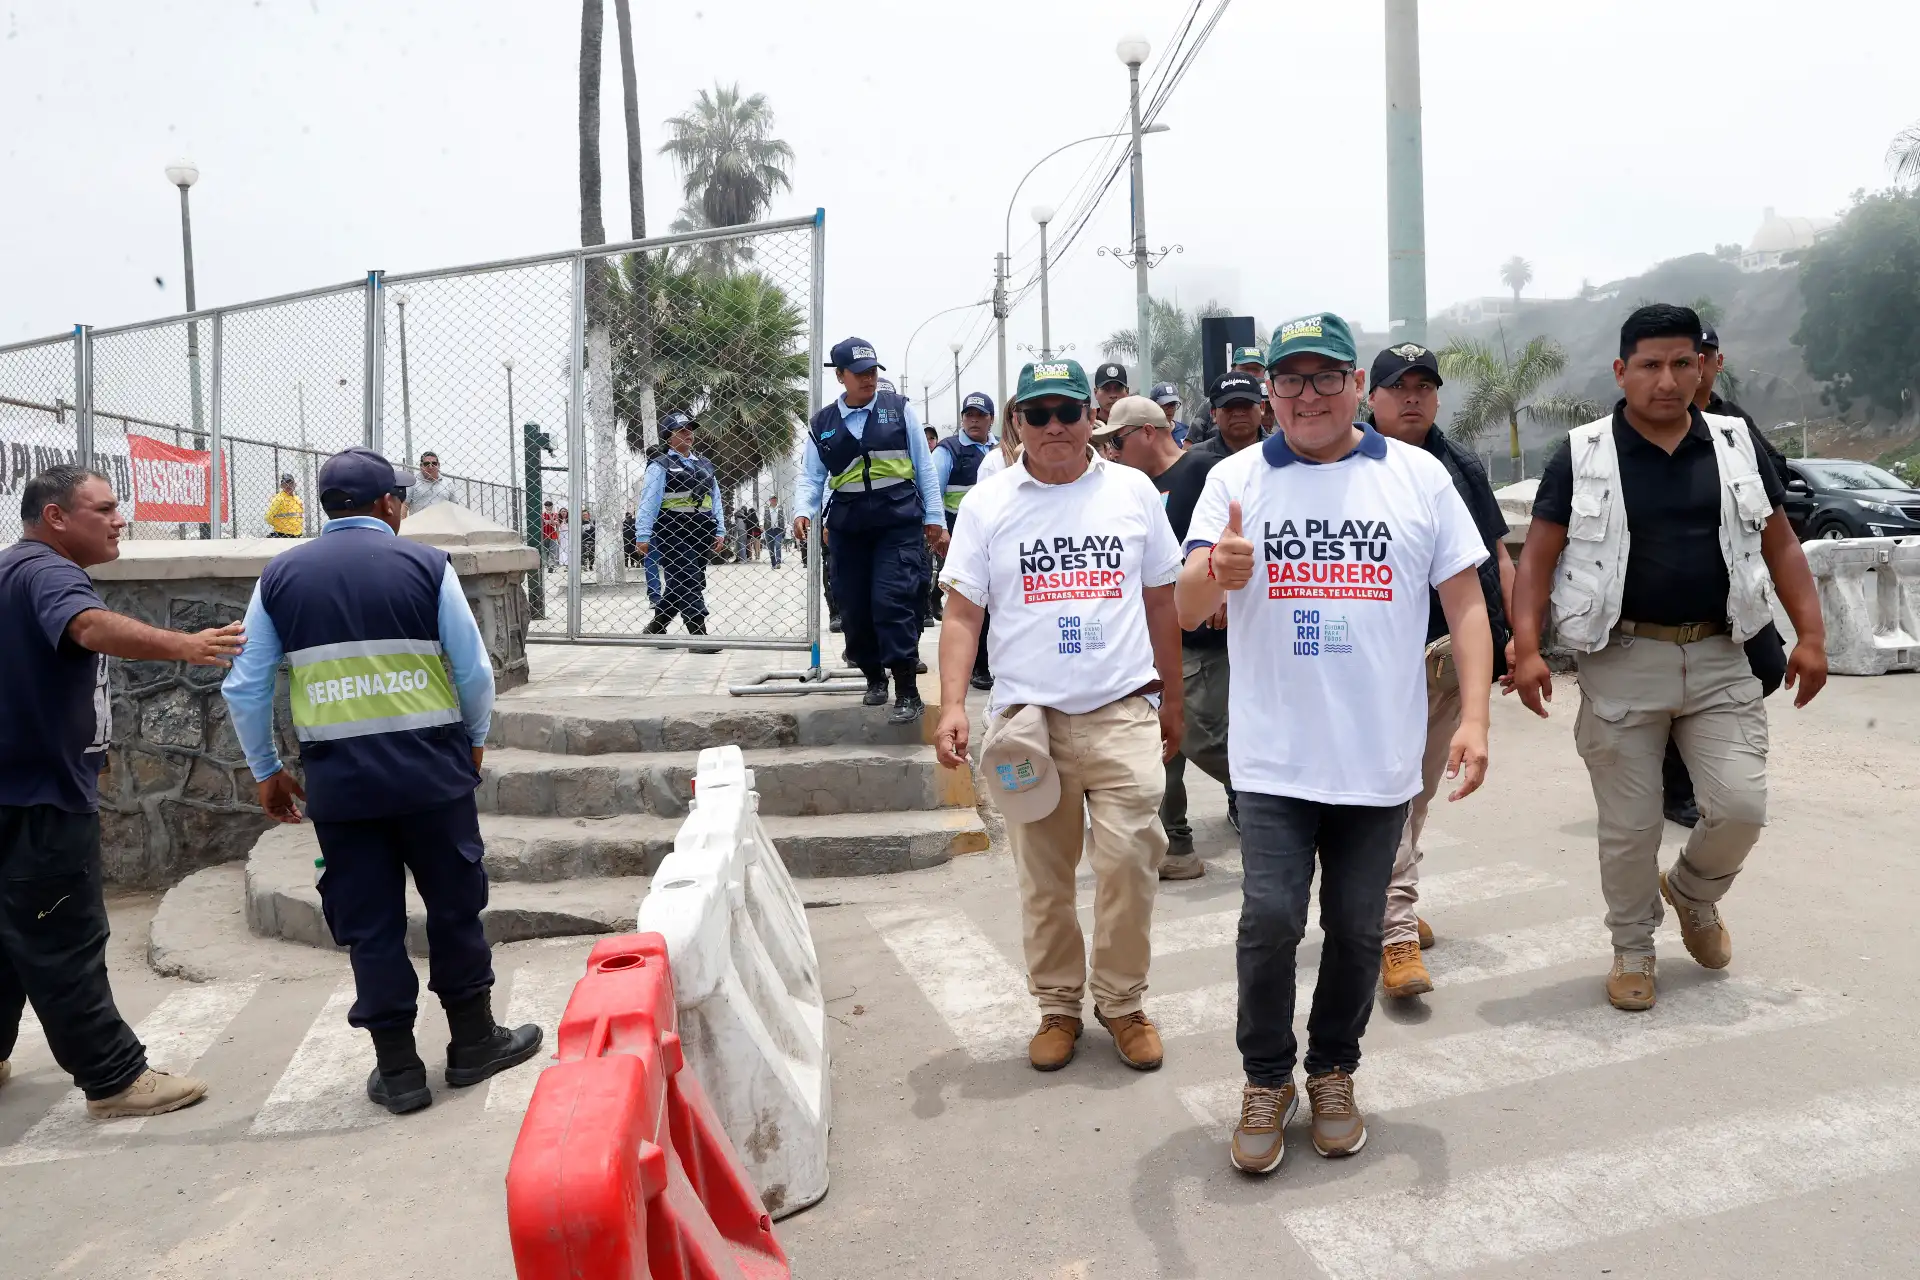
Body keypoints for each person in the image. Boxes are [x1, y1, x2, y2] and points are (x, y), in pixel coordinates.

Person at [1176, 312, 1494, 1175]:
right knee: (1270, 919)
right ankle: (1266, 1077)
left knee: (1358, 930)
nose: (1307, 396)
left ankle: (1333, 1070)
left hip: (1379, 758)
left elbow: (1466, 601)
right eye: (1290, 380)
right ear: (1268, 389)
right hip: (1275, 755)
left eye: (1326, 378)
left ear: (1358, 385)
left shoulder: (1418, 477)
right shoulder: (1235, 478)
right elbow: (1182, 606)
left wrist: (1474, 716)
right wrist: (1217, 571)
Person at [1511, 303, 1828, 1013]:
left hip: (1722, 653)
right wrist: (1525, 646)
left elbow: (1779, 543)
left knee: (1741, 805)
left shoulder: (1735, 443)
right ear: (1622, 372)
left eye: (1682, 363)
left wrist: (1810, 634)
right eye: (1650, 365)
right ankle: (1633, 947)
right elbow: (1538, 557)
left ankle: (1692, 893)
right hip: (1624, 658)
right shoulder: (1584, 452)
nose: (1667, 379)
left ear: (1703, 367)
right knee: (1630, 829)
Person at [221, 447, 538, 1116]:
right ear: (389, 505)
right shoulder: (426, 565)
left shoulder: (280, 577)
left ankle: (398, 1073)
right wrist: (474, 743)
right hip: (433, 777)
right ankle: (474, 1044)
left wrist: (267, 772)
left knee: (370, 924)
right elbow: (475, 672)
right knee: (454, 907)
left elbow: (246, 686)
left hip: (342, 789)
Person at [934, 358, 1185, 1074]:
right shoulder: (989, 503)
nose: (1053, 428)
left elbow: (1161, 599)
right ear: (1017, 422)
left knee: (1133, 860)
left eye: (1066, 413)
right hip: (1025, 723)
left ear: (1090, 420)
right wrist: (954, 704)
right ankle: (1057, 1008)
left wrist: (1172, 697)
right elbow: (962, 613)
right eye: (1036, 414)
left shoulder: (1134, 493)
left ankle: (1124, 1002)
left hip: (1121, 712)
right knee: (1044, 879)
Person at [0, 466, 245, 1117]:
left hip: (17, 787)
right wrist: (183, 644)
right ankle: (114, 1080)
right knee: (64, 937)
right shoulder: (51, 573)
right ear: (56, 517)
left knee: (9, 931)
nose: (120, 519)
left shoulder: (9, 570)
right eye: (104, 508)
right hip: (40, 800)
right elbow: (88, 627)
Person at [1364, 341, 1515, 998]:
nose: (1413, 397)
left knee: (1418, 794)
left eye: (1424, 385)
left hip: (1445, 658)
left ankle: (1381, 902)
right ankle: (1394, 932)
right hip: (1375, 661)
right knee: (1390, 794)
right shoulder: (1350, 465)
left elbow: (1495, 561)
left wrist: (1514, 642)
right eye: (1399, 387)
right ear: (1371, 398)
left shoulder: (1461, 465)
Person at [1659, 321, 1791, 828]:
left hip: (1739, 582)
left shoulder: (1734, 424)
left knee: (1769, 670)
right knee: (1674, 693)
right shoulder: (1650, 422)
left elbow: (1773, 473)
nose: (1700, 365)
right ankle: (1677, 789)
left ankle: (1695, 760)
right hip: (1678, 589)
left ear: (1712, 364)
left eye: (1705, 356)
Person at [1095, 396, 1231, 880]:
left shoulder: (1203, 471)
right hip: (1150, 632)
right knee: (1162, 737)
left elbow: (1232, 535)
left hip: (1203, 635)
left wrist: (1224, 595)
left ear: (1147, 433)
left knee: (1198, 735)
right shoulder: (1130, 489)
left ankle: (1275, 802)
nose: (1110, 451)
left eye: (1116, 440)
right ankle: (1176, 843)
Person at [793, 337, 947, 724]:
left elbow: (924, 467)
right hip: (849, 523)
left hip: (897, 520)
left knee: (893, 600)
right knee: (854, 606)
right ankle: (873, 677)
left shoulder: (900, 411)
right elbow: (811, 478)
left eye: (873, 372)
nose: (869, 380)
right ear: (840, 376)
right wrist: (803, 512)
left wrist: (935, 517)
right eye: (860, 374)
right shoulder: (822, 425)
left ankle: (907, 690)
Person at [633, 411, 727, 653]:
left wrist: (720, 529)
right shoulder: (660, 465)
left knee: (681, 582)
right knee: (689, 580)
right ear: (669, 437)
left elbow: (714, 498)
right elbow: (649, 501)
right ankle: (698, 636)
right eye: (681, 430)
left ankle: (657, 626)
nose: (688, 434)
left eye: (690, 430)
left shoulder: (704, 465)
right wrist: (643, 535)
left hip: (701, 531)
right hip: (672, 531)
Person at [933, 392, 998, 665]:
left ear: (991, 420)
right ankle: (975, 665)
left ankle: (987, 661)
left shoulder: (1001, 449)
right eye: (969, 415)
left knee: (994, 597)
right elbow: (933, 491)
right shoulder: (948, 450)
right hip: (958, 535)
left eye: (980, 415)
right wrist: (939, 530)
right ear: (962, 418)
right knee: (969, 598)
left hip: (995, 535)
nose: (974, 420)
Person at [1192, 371, 1266, 461]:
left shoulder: (1283, 451)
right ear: (1213, 413)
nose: (1238, 413)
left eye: (1246, 404)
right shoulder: (1195, 458)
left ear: (1262, 407)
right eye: (1229, 406)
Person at [1148, 383, 1189, 448]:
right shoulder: (1146, 433)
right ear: (1153, 404)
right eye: (1165, 404)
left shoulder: (1186, 432)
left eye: (1173, 404)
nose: (1170, 409)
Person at [265, 473, 305, 538]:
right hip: (282, 535)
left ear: (295, 485)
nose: (288, 486)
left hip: (298, 535)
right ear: (281, 486)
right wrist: (280, 526)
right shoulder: (279, 499)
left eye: (290, 483)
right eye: (285, 484)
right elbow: (268, 518)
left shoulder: (297, 499)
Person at [764, 496, 785, 569]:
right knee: (771, 547)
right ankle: (773, 563)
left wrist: (784, 527)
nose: (774, 500)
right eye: (772, 499)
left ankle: (778, 561)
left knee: (778, 545)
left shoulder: (780, 508)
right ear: (769, 500)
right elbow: (761, 516)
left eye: (775, 499)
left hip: (778, 529)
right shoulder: (765, 508)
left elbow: (784, 517)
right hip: (769, 529)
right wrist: (761, 525)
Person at [539, 501, 558, 568]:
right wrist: (549, 521)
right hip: (544, 533)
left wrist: (550, 515)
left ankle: (551, 564)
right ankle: (546, 563)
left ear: (552, 506)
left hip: (552, 533)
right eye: (546, 506)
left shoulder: (554, 514)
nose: (548, 507)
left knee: (552, 549)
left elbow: (553, 523)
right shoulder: (543, 514)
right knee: (545, 549)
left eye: (549, 506)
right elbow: (543, 522)